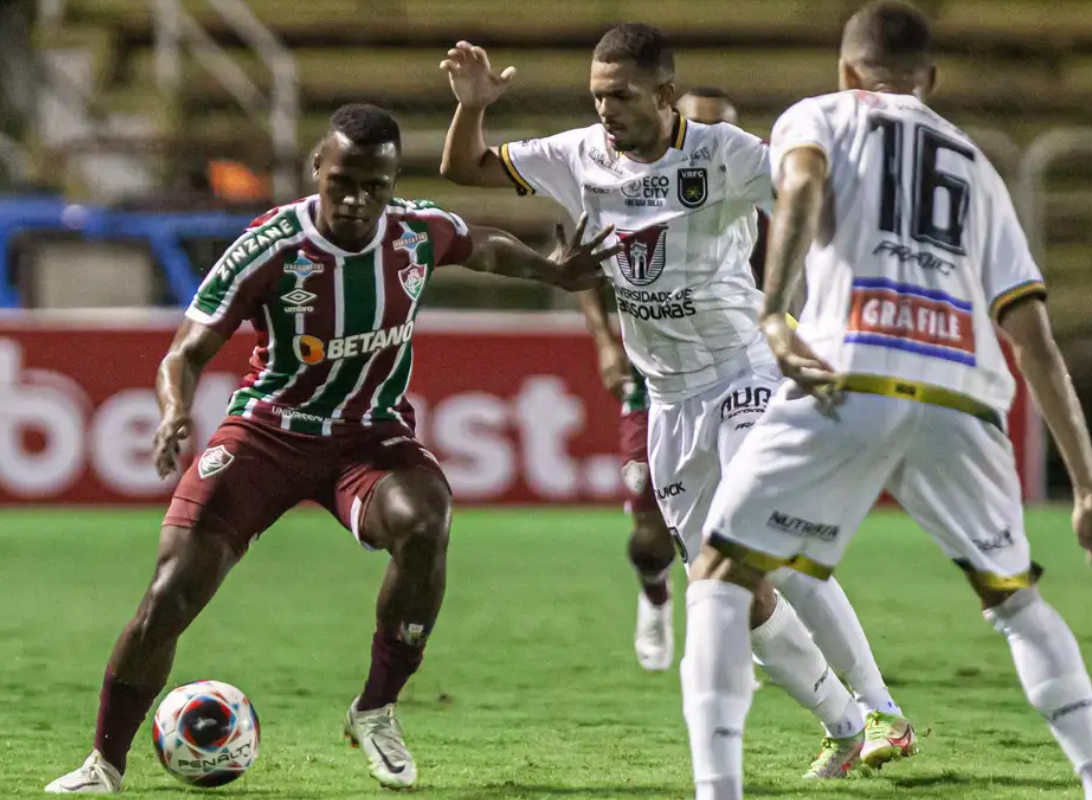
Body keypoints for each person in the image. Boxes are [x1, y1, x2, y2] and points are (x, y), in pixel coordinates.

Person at [44, 103, 614, 794]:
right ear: (318, 169)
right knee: (168, 596)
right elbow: (186, 352)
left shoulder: (414, 233)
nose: (356, 199)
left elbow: (484, 245)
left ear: (391, 182)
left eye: (374, 185)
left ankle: (375, 709)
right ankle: (104, 762)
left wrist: (555, 273)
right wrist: (172, 414)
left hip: (367, 439)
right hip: (267, 434)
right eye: (342, 181)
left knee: (426, 519)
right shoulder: (270, 246)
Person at [680, 3, 1092, 800]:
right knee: (1018, 603)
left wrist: (774, 312)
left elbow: (803, 184)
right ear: (929, 80)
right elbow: (1034, 339)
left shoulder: (818, 114)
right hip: (961, 391)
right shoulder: (978, 167)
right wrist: (1090, 489)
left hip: (849, 370)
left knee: (721, 574)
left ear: (849, 71)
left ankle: (719, 791)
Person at [439, 24, 914, 776]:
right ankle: (847, 722)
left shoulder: (725, 154)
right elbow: (462, 168)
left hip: (745, 370)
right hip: (666, 396)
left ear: (663, 94)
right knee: (723, 583)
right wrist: (471, 105)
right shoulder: (576, 155)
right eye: (597, 95)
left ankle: (883, 707)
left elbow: (818, 200)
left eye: (620, 96)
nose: (605, 110)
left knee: (756, 543)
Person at [580, 85, 755, 674]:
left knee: (754, 501)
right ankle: (655, 594)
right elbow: (581, 258)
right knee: (652, 526)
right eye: (693, 125)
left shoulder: (743, 189)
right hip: (654, 376)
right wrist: (606, 342)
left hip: (736, 369)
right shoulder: (623, 179)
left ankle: (757, 625)